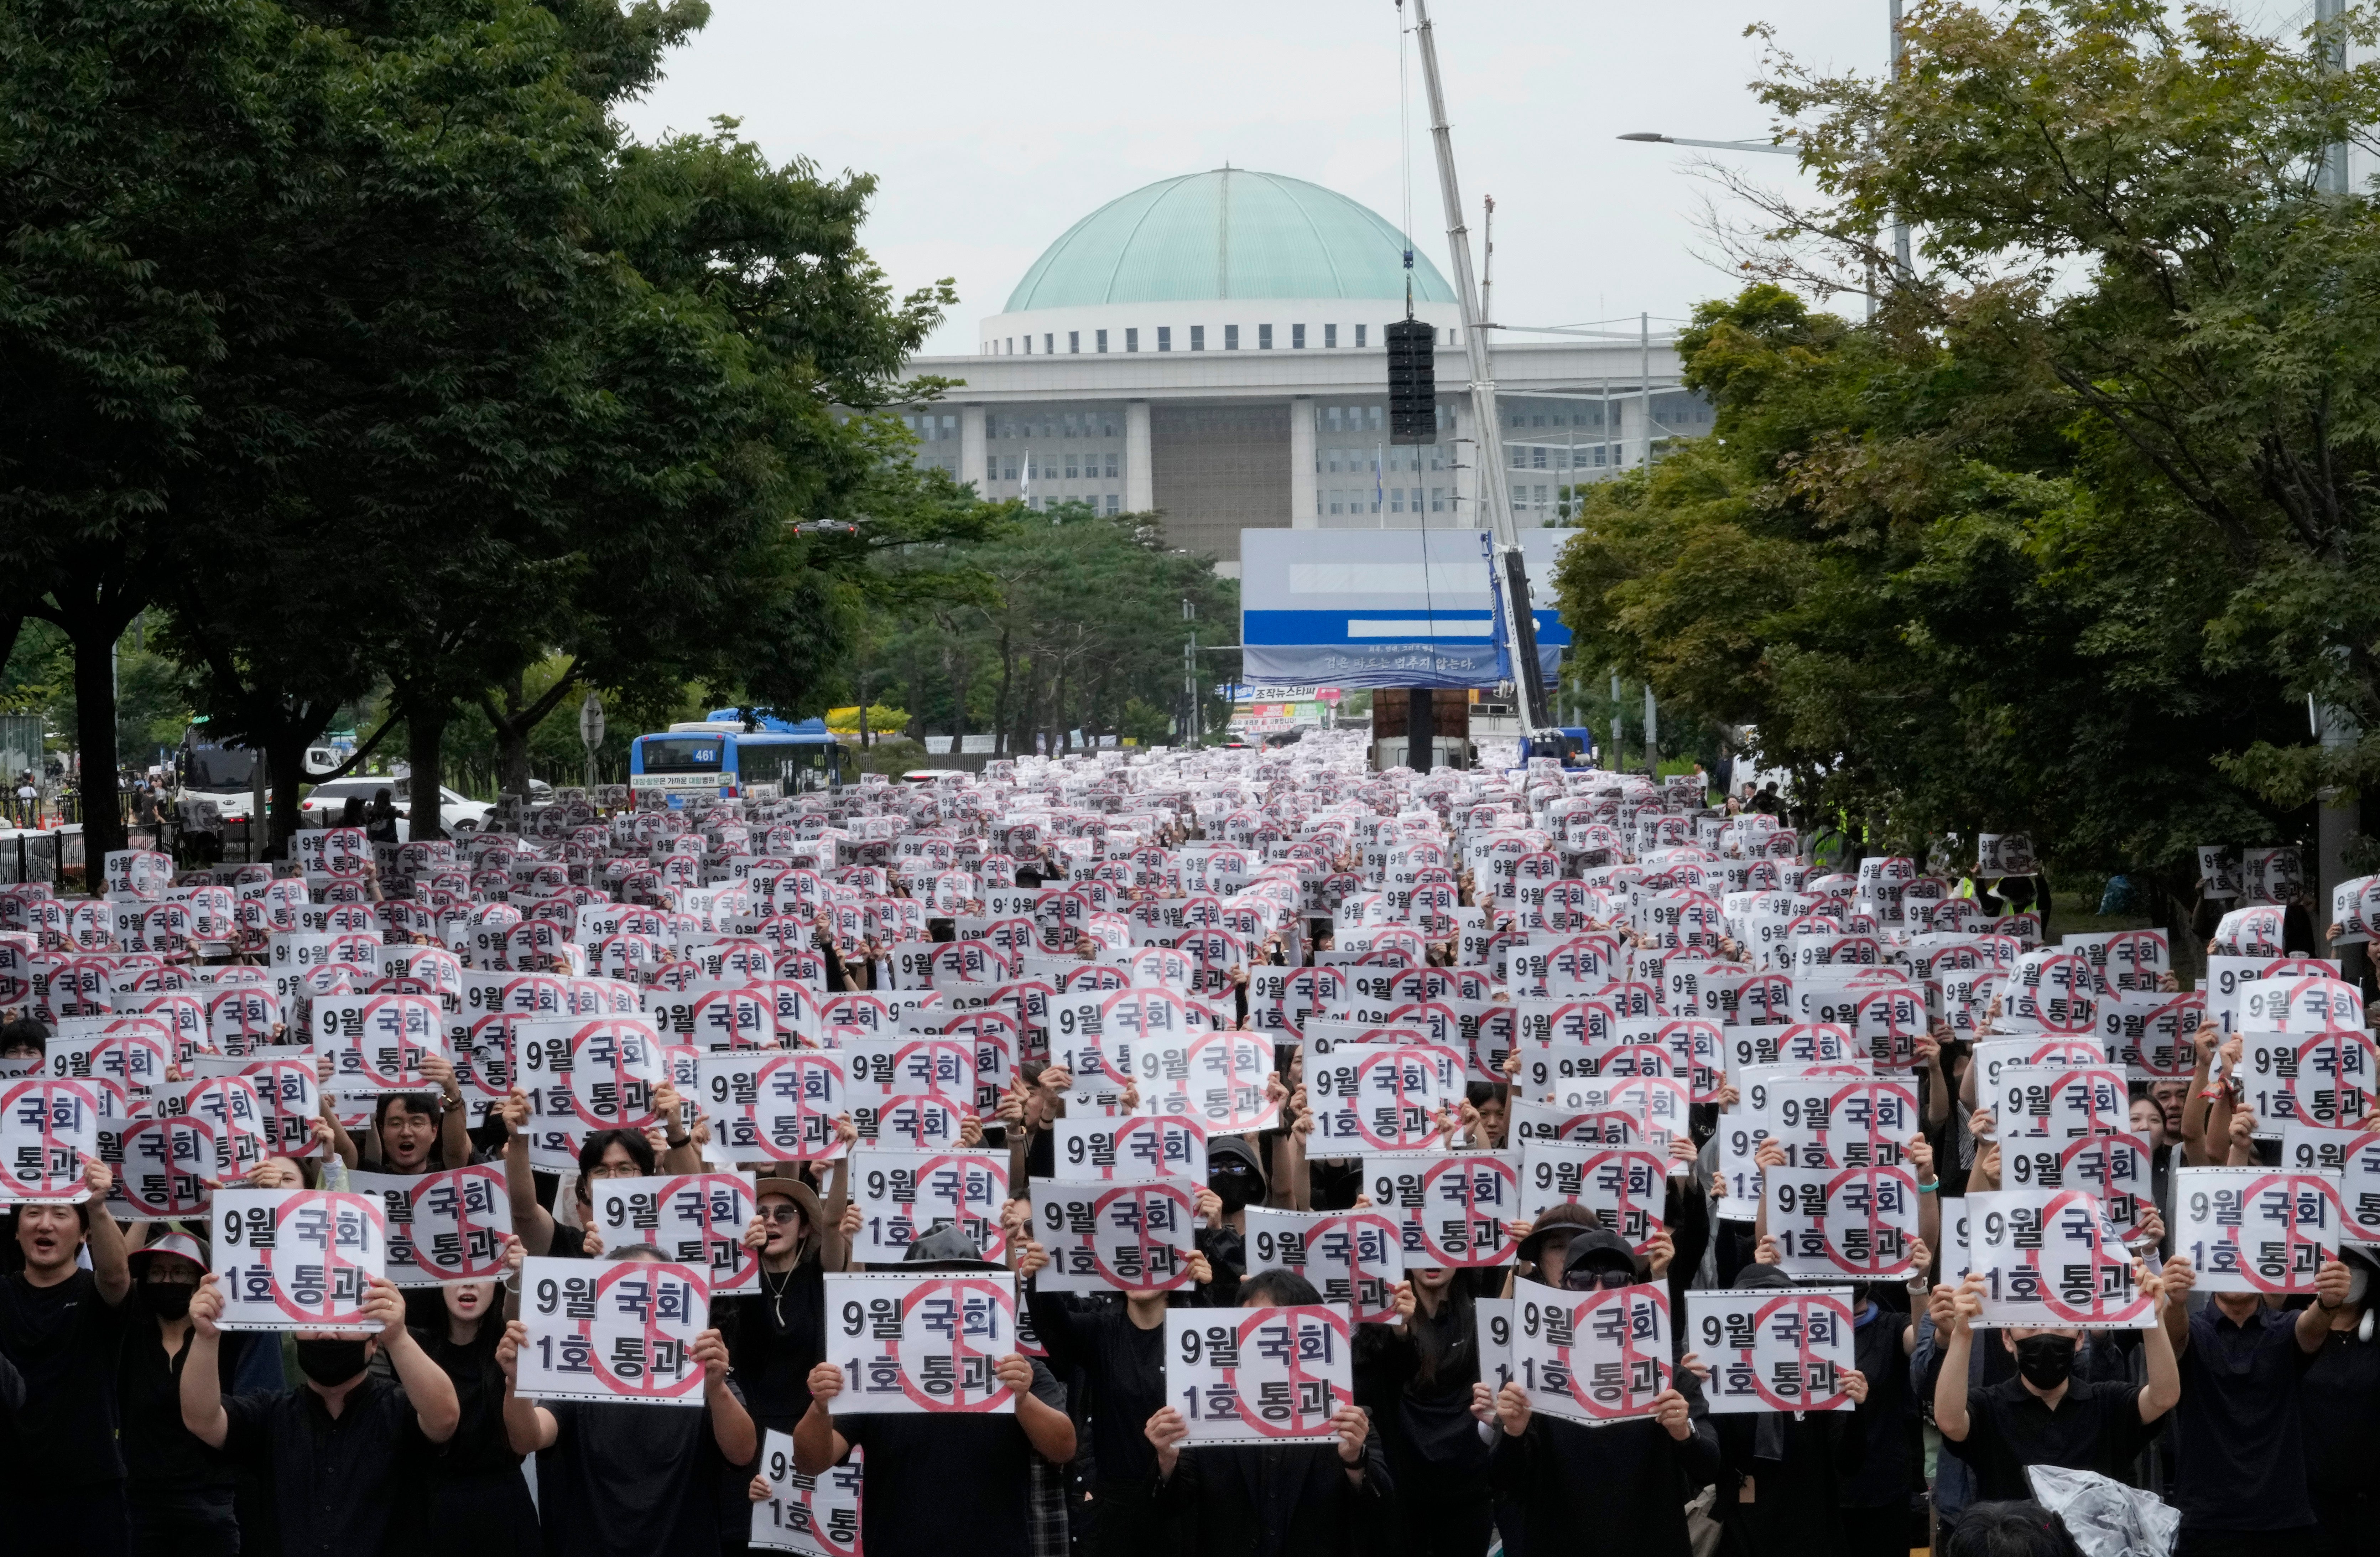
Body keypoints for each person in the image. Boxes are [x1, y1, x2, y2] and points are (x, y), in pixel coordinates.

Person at [793, 1225, 1076, 1557]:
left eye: (960, 1282)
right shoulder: (875, 1371)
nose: (944, 1295)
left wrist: (1022, 1399)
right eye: (929, 1282)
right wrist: (820, 1408)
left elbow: (1063, 1448)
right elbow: (811, 1462)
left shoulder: (1018, 1370)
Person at [178, 1267, 462, 1557]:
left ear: (373, 1342)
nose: (327, 1333)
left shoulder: (400, 1408)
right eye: (314, 1322)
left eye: (343, 1322)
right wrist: (206, 1337)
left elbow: (445, 1417)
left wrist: (398, 1337)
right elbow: (202, 1420)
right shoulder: (271, 1414)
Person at [496, 1242, 755, 1557]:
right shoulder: (579, 1377)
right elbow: (528, 1438)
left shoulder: (700, 1376)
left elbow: (742, 1452)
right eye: (629, 1299)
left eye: (655, 1298)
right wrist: (515, 1383)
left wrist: (716, 1388)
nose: (642, 1312)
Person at [1477, 1228, 1716, 1556]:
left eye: (1615, 1279)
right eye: (1582, 1280)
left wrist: (1684, 1433)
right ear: (1563, 1289)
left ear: (1635, 1289)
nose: (1599, 1291)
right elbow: (1503, 1480)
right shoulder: (1531, 1377)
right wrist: (1513, 1434)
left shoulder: (1669, 1378)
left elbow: (1708, 1467)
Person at [1145, 1268, 1393, 1557]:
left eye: (1275, 1327)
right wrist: (1166, 1459)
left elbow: (1380, 1506)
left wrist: (1355, 1460)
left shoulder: (1345, 1418)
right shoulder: (1205, 1413)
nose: (1262, 1338)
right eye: (1250, 1325)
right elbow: (1169, 1505)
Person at [1019, 1214, 1218, 1557]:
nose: (1141, 1268)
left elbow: (1221, 1360)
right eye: (1130, 1257)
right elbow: (1057, 1327)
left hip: (1186, 1501)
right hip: (1115, 1513)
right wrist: (1039, 1276)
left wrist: (1202, 1290)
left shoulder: (1194, 1332)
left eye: (1154, 1257)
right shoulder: (1100, 1331)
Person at [2156, 1247, 2352, 1555]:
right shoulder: (2193, 1328)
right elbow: (2173, 1338)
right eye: (2226, 1257)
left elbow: (2311, 1328)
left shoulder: (2285, 1326)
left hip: (2282, 1520)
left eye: (2244, 1256)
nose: (2236, 1267)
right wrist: (2175, 1302)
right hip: (2205, 1520)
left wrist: (2328, 1302)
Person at [1930, 1266, 2180, 1506]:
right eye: (2030, 1326)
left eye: (2060, 1325)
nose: (2045, 1335)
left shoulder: (2107, 1404)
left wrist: (2153, 1316)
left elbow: (2163, 1397)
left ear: (2080, 1338)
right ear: (2007, 1338)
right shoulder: (1988, 1407)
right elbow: (1950, 1422)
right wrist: (1962, 1333)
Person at [1691, 1262, 1873, 1557]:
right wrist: (1691, 1394)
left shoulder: (1822, 1375)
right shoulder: (1717, 1380)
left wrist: (1856, 1407)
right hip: (1741, 1534)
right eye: (1753, 1310)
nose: (1766, 1320)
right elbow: (1703, 1465)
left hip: (1812, 1532)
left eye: (1777, 1308)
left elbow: (1849, 1463)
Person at [0, 1159, 134, 1557]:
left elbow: (117, 1276)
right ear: (17, 1229)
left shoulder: (96, 1293)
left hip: (90, 1489)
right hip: (10, 1491)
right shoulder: (3, 1293)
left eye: (60, 1214)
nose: (45, 1224)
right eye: (33, 1213)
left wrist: (96, 1205)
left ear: (83, 1234)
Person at [408, 1237, 538, 1557]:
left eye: (481, 1272)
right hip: (430, 1510)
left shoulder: (509, 1349)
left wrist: (517, 1280)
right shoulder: (411, 1347)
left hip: (504, 1510)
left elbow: (515, 1318)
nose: (469, 1283)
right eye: (456, 1270)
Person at [115, 1231, 240, 1557]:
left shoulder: (226, 1339)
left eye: (180, 1272)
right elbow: (115, 1274)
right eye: (157, 1272)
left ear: (202, 1279)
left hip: (210, 1505)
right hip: (139, 1507)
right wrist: (143, 1214)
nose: (166, 1280)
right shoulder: (127, 1333)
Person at [2300, 1246, 2380, 1556]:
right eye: (2335, 1260)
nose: (2344, 1271)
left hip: (2370, 1505)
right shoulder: (2294, 1333)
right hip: (2309, 1504)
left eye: (2355, 1263)